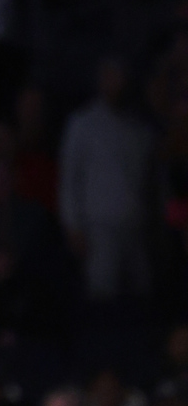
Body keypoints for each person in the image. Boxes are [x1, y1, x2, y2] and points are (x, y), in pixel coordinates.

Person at [61, 59, 159, 301]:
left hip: (137, 225)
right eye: (109, 76)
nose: (114, 83)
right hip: (99, 228)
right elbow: (70, 178)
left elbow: (150, 181)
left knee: (142, 293)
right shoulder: (83, 124)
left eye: (119, 77)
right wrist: (73, 225)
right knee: (102, 294)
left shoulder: (139, 128)